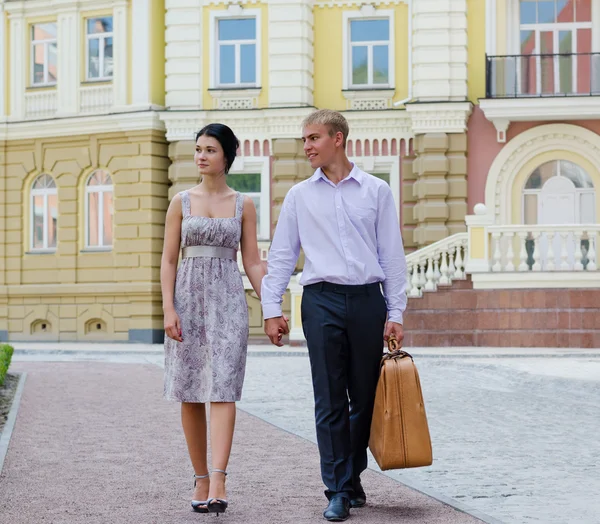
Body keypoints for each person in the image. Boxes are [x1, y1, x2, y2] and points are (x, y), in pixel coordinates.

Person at [261, 109, 407, 521]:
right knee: (329, 400)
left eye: (313, 138)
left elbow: (391, 256)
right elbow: (282, 256)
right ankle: (338, 489)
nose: (306, 146)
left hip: (366, 300)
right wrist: (272, 309)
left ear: (337, 138)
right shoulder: (299, 196)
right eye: (304, 139)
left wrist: (395, 310)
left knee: (364, 398)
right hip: (320, 300)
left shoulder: (376, 191)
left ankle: (353, 473)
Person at [161, 123, 267, 515]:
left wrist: (270, 304)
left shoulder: (244, 204)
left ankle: (220, 477)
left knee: (224, 386)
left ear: (226, 156)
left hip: (228, 300)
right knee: (189, 391)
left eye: (210, 150)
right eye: (198, 149)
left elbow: (252, 261)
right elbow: (169, 259)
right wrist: (168, 309)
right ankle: (200, 477)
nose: (201, 156)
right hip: (187, 300)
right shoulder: (180, 202)